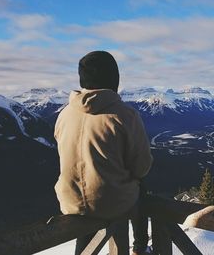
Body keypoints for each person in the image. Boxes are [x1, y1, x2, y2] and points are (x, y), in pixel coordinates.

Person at [54, 51, 153, 255]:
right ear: (113, 79)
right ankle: (140, 248)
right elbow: (141, 167)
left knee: (88, 203)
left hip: (70, 201)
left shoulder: (63, 115)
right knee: (141, 188)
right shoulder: (124, 115)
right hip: (110, 203)